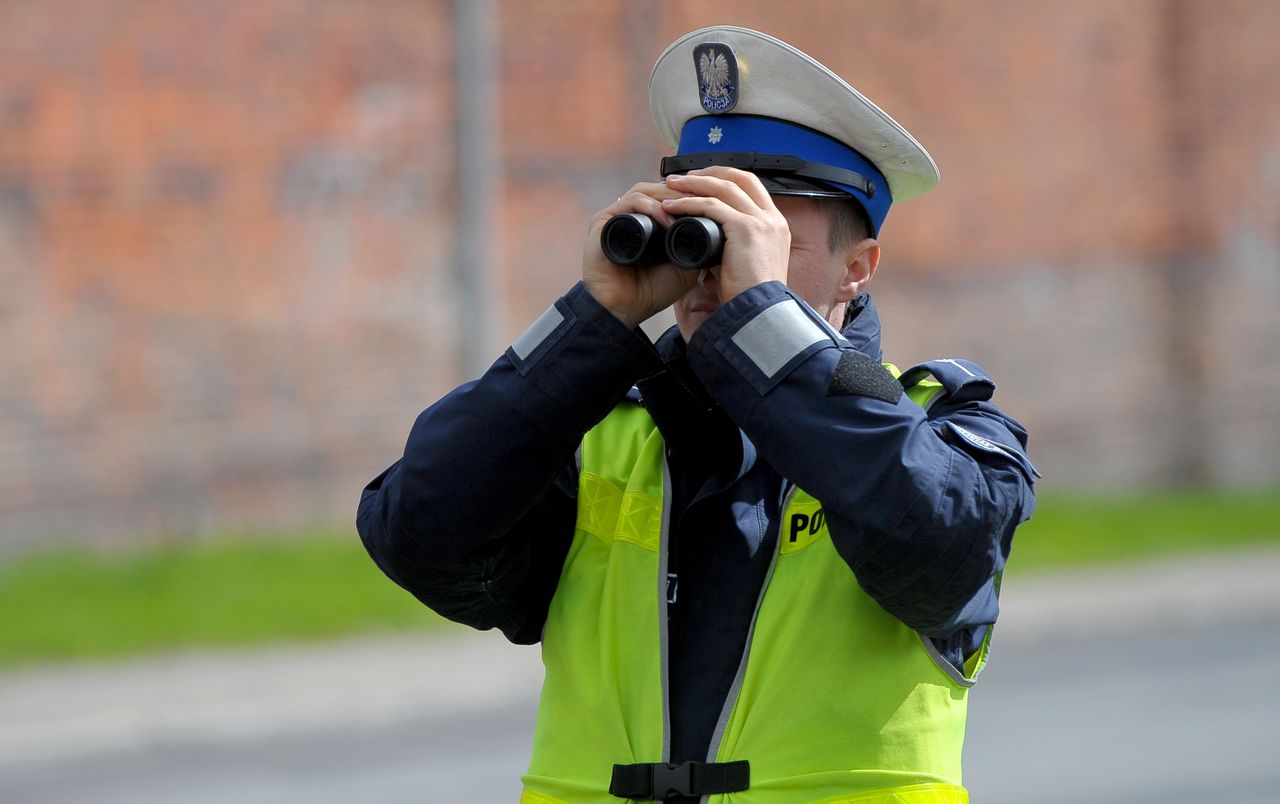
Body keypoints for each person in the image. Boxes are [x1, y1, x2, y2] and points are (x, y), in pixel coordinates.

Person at [358, 25, 1037, 804]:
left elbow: (934, 542)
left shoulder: (942, 429)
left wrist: (764, 323)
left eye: (762, 236)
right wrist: (594, 323)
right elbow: (418, 534)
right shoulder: (603, 439)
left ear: (858, 268)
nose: (718, 267)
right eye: (704, 232)